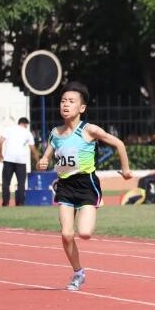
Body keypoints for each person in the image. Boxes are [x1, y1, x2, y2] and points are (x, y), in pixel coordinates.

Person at [37, 81, 133, 291]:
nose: (65, 104)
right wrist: (42, 162)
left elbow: (119, 144)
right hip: (64, 186)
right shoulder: (55, 133)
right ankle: (78, 272)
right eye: (63, 101)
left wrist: (126, 170)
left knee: (85, 233)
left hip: (86, 185)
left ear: (81, 108)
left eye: (71, 101)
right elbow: (45, 158)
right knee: (66, 234)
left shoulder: (89, 130)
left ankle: (90, 210)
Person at [0, 116, 40, 207]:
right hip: (21, 161)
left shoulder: (8, 129)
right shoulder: (27, 133)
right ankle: (20, 202)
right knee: (21, 183)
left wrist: (1, 154)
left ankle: (5, 203)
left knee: (6, 182)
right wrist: (38, 161)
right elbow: (33, 149)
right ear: (25, 124)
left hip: (8, 159)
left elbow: (0, 142)